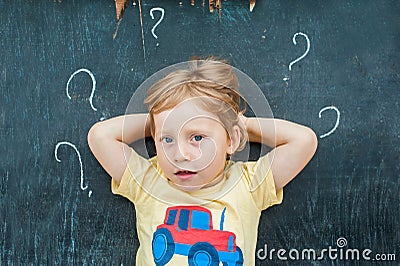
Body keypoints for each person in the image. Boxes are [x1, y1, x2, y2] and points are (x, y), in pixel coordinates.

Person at [87, 58, 318, 265]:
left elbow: (303, 140)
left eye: (197, 137)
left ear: (231, 140)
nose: (180, 154)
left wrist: (242, 126)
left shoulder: (248, 184)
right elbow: (101, 136)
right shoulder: (149, 181)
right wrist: (157, 121)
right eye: (167, 140)